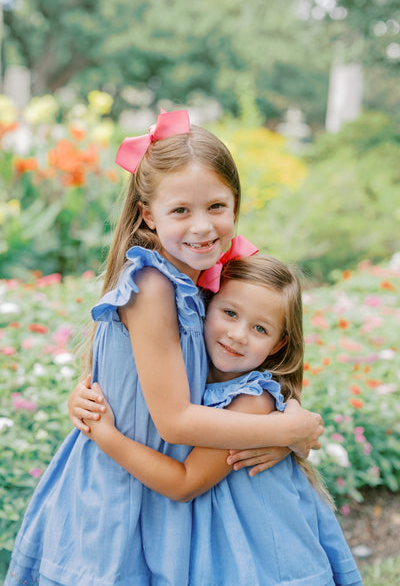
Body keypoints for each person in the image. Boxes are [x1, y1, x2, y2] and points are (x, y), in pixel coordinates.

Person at [5, 110, 323, 586]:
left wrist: (283, 430)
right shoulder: (153, 284)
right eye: (181, 211)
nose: (202, 226)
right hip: (122, 489)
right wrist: (282, 427)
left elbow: (239, 369)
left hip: (166, 482)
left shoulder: (205, 277)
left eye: (217, 206)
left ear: (236, 204)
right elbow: (173, 418)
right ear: (148, 215)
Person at [84, 253, 363, 586]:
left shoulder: (253, 401)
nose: (238, 334)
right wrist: (83, 394)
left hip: (262, 553)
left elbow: (184, 483)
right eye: (229, 313)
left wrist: (104, 434)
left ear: (279, 344)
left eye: (260, 328)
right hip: (215, 541)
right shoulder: (187, 375)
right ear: (204, 307)